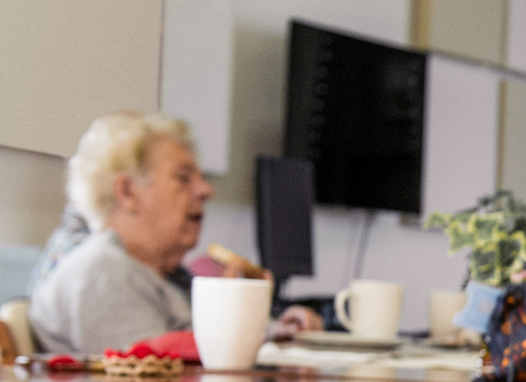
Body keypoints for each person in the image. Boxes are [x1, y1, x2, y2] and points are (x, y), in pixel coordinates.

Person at [30, 113, 319, 355]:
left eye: (201, 178)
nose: (206, 190)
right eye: (183, 178)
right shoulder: (103, 274)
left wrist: (273, 330)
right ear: (128, 192)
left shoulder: (161, 276)